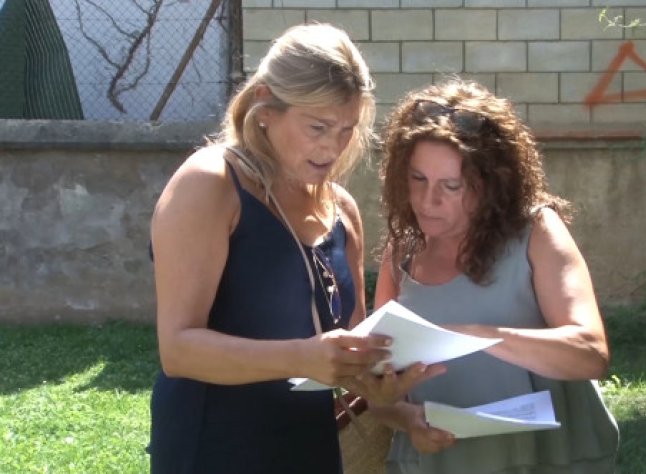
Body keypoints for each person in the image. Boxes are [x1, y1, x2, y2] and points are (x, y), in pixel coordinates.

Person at [147, 23, 439, 474]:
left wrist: (390, 399)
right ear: (265, 106)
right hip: (214, 448)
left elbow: (349, 351)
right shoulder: (209, 183)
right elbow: (178, 349)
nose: (333, 147)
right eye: (318, 127)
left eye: (347, 130)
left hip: (310, 445)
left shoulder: (342, 208)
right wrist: (302, 357)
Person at [371, 80, 620, 474]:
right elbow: (378, 388)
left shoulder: (536, 231)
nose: (427, 200)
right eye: (417, 179)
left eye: (451, 186)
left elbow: (589, 354)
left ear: (491, 184)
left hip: (546, 459)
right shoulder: (402, 250)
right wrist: (407, 419)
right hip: (441, 461)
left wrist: (475, 336)